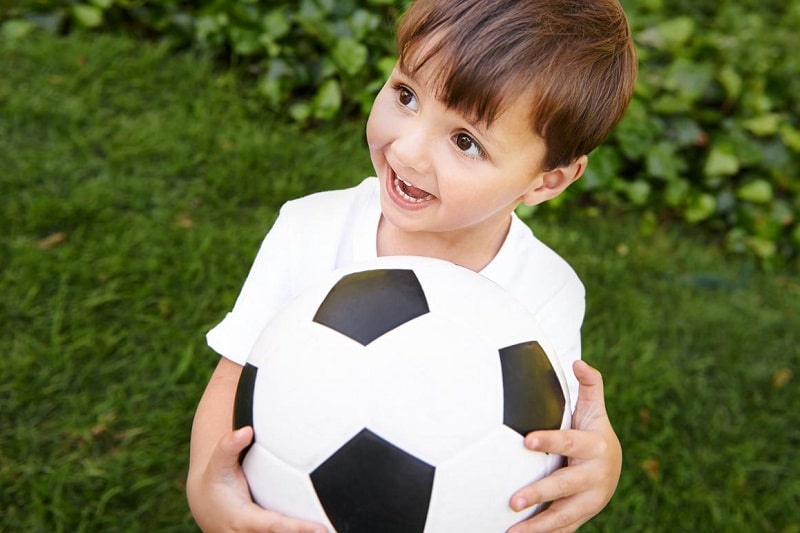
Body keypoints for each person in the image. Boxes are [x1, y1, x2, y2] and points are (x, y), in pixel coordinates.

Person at [187, 0, 637, 531]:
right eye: (406, 95)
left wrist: (598, 464)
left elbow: (543, 445)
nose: (409, 150)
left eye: (466, 141)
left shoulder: (545, 290)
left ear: (547, 180)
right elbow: (237, 373)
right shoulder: (309, 229)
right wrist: (207, 491)